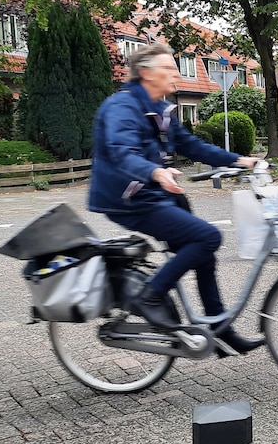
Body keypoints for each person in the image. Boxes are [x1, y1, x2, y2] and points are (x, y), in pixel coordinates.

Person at [88, 42, 264, 355]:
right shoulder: (122, 107)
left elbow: (193, 147)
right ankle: (150, 295)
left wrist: (239, 160)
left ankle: (219, 331)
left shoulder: (161, 110)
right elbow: (120, 151)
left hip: (153, 193)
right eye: (168, 68)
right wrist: (155, 173)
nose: (175, 74)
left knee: (203, 252)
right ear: (145, 73)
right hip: (128, 199)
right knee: (207, 237)